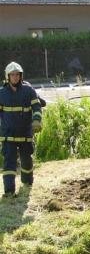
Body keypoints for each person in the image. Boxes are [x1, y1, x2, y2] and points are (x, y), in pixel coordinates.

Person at [0, 62, 42, 197]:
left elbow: (37, 107)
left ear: (21, 76)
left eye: (17, 75)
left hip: (25, 134)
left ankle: (28, 182)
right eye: (12, 75)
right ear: (8, 76)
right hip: (8, 135)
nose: (15, 77)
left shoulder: (29, 91)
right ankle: (9, 191)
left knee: (27, 161)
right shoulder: (1, 93)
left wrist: (36, 120)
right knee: (9, 163)